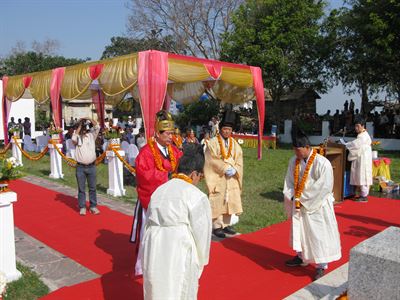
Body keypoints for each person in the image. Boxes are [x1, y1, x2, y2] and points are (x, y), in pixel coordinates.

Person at [140, 144, 211, 300]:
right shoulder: (196, 195)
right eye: (200, 176)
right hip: (178, 248)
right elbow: (202, 233)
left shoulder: (160, 190)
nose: (199, 180)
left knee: (156, 289)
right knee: (179, 290)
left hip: (154, 245)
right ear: (194, 174)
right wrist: (200, 261)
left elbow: (148, 223)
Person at [283, 128, 341, 281]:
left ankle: (321, 266)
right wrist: (292, 196)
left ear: (307, 148)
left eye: (299, 150)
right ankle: (301, 256)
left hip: (317, 205)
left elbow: (324, 186)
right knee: (300, 232)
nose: (296, 153)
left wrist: (303, 199)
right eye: (294, 150)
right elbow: (289, 181)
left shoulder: (322, 163)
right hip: (299, 203)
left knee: (318, 236)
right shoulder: (293, 161)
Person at [130, 110, 183, 275]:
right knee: (149, 234)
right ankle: (144, 266)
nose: (170, 137)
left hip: (170, 201)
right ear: (158, 134)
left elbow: (181, 166)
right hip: (152, 199)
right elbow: (144, 175)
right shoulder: (146, 152)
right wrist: (166, 175)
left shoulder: (174, 151)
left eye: (172, 133)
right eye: (167, 134)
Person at [204, 109, 243, 239]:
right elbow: (210, 160)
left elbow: (239, 160)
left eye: (229, 129)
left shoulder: (235, 144)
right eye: (225, 129)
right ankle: (217, 226)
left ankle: (226, 224)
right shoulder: (213, 142)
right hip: (218, 176)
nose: (227, 131)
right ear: (220, 129)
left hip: (231, 177)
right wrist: (224, 168)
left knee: (230, 198)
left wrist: (236, 169)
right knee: (218, 199)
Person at [72, 117, 101, 216]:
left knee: (92, 188)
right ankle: (82, 207)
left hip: (91, 166)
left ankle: (93, 206)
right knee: (81, 189)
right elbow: (73, 139)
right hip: (80, 167)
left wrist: (88, 118)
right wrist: (80, 125)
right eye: (83, 128)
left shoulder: (91, 136)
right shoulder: (77, 137)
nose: (84, 129)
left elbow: (97, 127)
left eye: (85, 128)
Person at [344, 117, 372, 202]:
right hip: (361, 158)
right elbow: (355, 144)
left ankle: (364, 196)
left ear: (363, 126)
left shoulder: (363, 136)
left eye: (358, 126)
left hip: (363, 159)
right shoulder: (362, 135)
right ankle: (362, 194)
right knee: (360, 175)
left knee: (362, 176)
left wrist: (345, 144)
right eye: (355, 126)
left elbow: (355, 145)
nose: (356, 128)